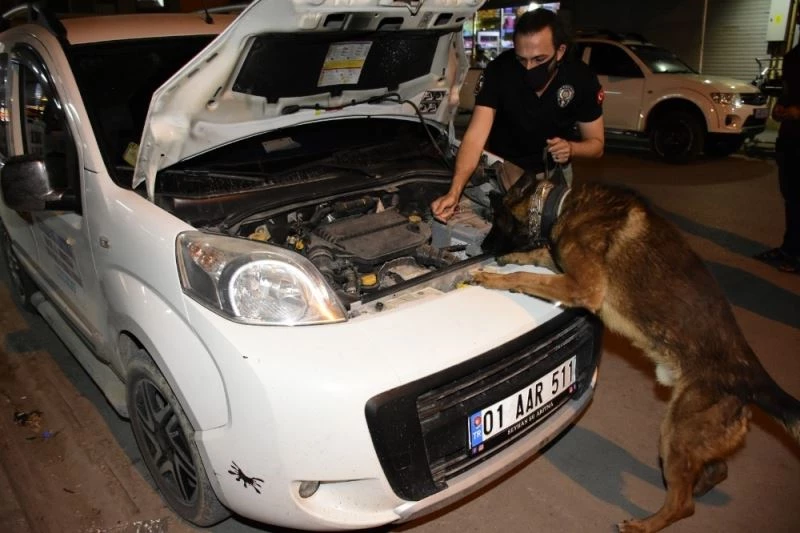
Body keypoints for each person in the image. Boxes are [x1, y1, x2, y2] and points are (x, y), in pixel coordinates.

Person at [431, 8, 604, 222]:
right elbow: (475, 137)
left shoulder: (581, 79)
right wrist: (454, 192)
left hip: (551, 174)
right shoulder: (499, 71)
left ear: (560, 51)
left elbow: (596, 145)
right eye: (522, 59)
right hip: (505, 169)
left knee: (549, 235)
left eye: (539, 59)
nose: (529, 67)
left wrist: (571, 148)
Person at [754, 43, 800, 274]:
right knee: (791, 199)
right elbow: (788, 90)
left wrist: (797, 112)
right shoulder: (794, 54)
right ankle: (789, 250)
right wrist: (780, 108)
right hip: (790, 140)